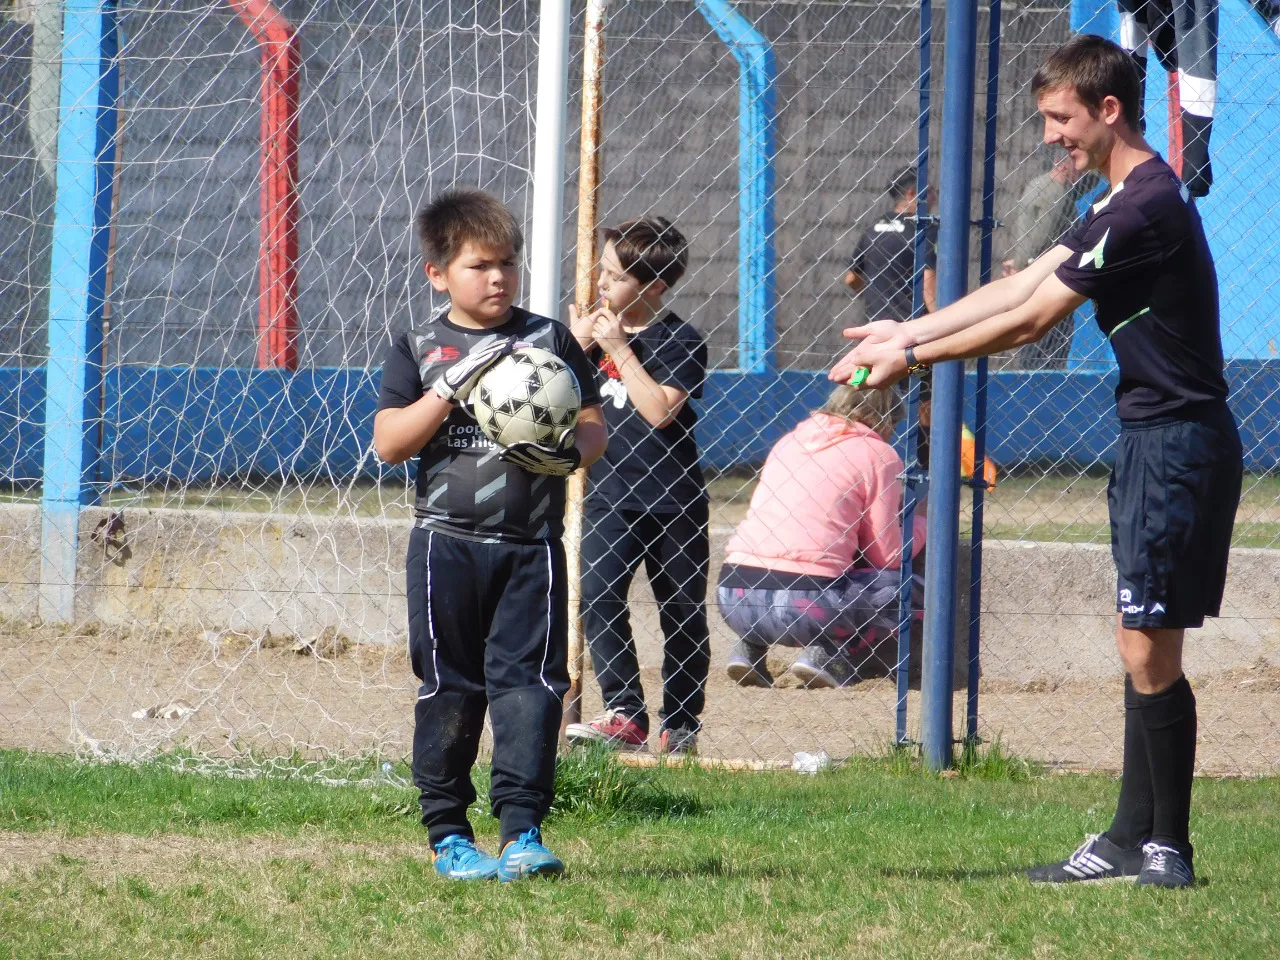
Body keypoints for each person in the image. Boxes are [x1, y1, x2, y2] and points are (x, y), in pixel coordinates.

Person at [833, 35, 1243, 889]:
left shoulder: (1146, 207)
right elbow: (1018, 288)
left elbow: (1030, 325)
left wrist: (914, 361)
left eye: (1060, 118)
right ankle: (1135, 838)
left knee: (1148, 645)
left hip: (1179, 445)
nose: (1050, 134)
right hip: (1151, 442)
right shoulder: (1117, 199)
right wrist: (908, 329)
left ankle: (1168, 846)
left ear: (1107, 110)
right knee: (1142, 643)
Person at [374, 188, 606, 882]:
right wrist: (449, 389)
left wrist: (569, 453)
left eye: (507, 263)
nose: (498, 278)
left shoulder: (547, 340)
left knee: (531, 688)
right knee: (452, 684)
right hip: (445, 545)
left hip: (530, 546)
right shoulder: (418, 344)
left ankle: (523, 833)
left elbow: (591, 425)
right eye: (479, 265)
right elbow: (389, 444)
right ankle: (448, 835)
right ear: (438, 272)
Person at [563, 217, 711, 756]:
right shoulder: (590, 337)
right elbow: (553, 402)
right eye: (601, 271)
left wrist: (619, 349)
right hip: (609, 495)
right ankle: (625, 710)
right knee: (597, 596)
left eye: (615, 275)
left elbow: (659, 412)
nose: (601, 283)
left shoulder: (680, 340)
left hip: (674, 501)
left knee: (682, 612)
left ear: (652, 287)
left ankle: (682, 721)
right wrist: (573, 350)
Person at [717, 386, 926, 689]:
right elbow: (888, 556)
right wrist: (920, 521)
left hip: (733, 596)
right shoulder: (879, 454)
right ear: (886, 420)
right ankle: (827, 653)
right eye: (893, 426)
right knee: (909, 589)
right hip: (806, 605)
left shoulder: (788, 442)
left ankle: (748, 649)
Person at [1001, 153, 1102, 367]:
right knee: (1052, 336)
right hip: (1045, 272)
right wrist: (1022, 264)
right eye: (1078, 168)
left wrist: (1019, 261)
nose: (1082, 174)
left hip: (1033, 268)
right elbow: (1040, 235)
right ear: (1065, 165)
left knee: (1038, 335)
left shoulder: (1041, 185)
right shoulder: (1056, 194)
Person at [845, 165, 938, 320]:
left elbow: (851, 278)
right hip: (911, 328)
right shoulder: (925, 230)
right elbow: (929, 288)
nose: (934, 197)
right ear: (911, 194)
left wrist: (879, 297)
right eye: (930, 192)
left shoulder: (873, 228)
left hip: (874, 325)